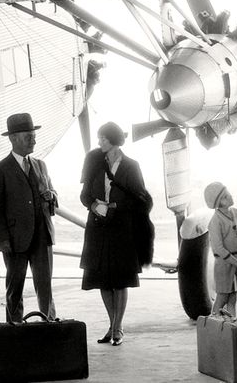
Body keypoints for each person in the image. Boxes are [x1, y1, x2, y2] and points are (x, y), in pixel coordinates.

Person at [80, 121, 150, 346]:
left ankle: (117, 327)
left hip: (122, 229)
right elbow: (84, 195)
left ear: (114, 140)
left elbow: (140, 198)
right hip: (98, 228)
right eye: (99, 137)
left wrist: (114, 208)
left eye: (103, 138)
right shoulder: (93, 162)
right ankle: (113, 326)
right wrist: (94, 206)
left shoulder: (131, 166)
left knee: (120, 280)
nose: (99, 141)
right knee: (103, 280)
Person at [0, 113, 58, 323]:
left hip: (42, 236)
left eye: (34, 136)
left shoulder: (40, 165)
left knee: (45, 285)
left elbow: (53, 193)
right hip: (15, 240)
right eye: (28, 136)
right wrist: (3, 240)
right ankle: (14, 327)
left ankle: (49, 323)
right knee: (14, 286)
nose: (34, 140)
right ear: (13, 138)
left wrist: (51, 196)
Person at [204, 182, 237, 317]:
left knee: (233, 295)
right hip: (224, 265)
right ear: (218, 202)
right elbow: (219, 248)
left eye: (228, 193)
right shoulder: (215, 221)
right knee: (222, 296)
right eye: (225, 196)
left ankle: (231, 325)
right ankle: (214, 324)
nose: (229, 197)